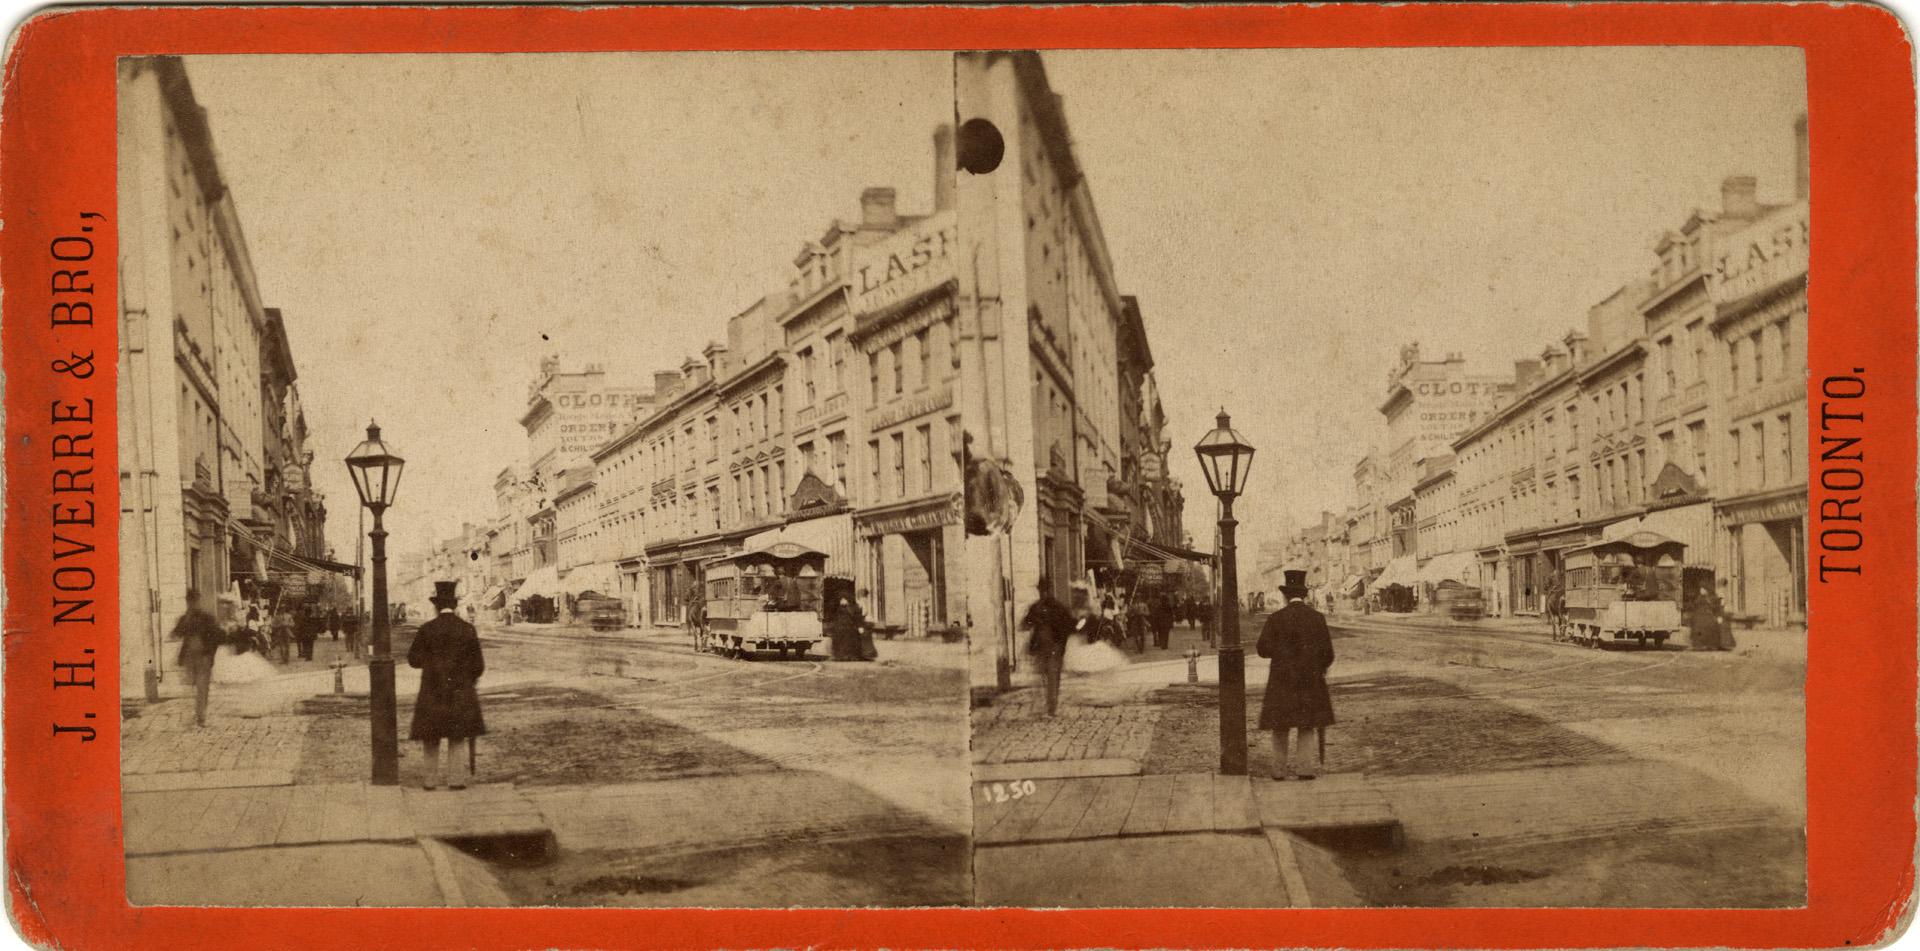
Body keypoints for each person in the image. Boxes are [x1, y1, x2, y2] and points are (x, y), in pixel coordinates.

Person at [1256, 570, 1336, 781]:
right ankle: (1305, 769)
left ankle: (1279, 770)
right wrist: (1318, 665)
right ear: (1305, 594)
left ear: (1285, 595)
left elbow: (1262, 649)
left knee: (1280, 725)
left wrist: (1281, 652)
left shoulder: (1275, 618)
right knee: (1306, 724)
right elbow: (1328, 654)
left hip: (1282, 680)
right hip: (1309, 680)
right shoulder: (1317, 618)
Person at [408, 581, 487, 790]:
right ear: (455, 605)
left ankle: (430, 780)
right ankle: (456, 779)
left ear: (436, 606)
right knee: (457, 735)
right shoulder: (467, 629)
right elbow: (478, 666)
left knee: (430, 736)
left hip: (432, 692)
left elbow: (413, 660)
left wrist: (431, 663)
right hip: (459, 692)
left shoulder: (426, 630)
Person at [1019, 578, 1075, 717]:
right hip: (1048, 648)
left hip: (1048, 648)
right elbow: (1025, 623)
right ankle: (1049, 708)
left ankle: (1049, 708)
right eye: (1041, 590)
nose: (1042, 592)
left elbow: (1024, 624)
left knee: (1047, 678)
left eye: (1042, 589)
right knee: (1049, 679)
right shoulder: (1054, 607)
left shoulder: (1042, 607)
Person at [169, 590, 223, 727]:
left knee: (201, 687)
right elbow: (176, 633)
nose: (192, 604)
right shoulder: (186, 618)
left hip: (203, 657)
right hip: (190, 657)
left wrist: (210, 654)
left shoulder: (206, 618)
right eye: (190, 601)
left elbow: (216, 636)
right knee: (193, 687)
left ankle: (200, 717)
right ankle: (197, 715)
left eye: (194, 601)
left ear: (198, 601)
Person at [826, 593, 868, 662]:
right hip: (841, 629)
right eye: (841, 600)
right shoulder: (839, 609)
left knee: (850, 643)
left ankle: (851, 656)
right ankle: (841, 656)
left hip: (850, 629)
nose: (841, 601)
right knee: (841, 643)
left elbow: (856, 618)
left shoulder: (852, 608)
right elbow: (836, 619)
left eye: (843, 599)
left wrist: (859, 626)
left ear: (847, 600)